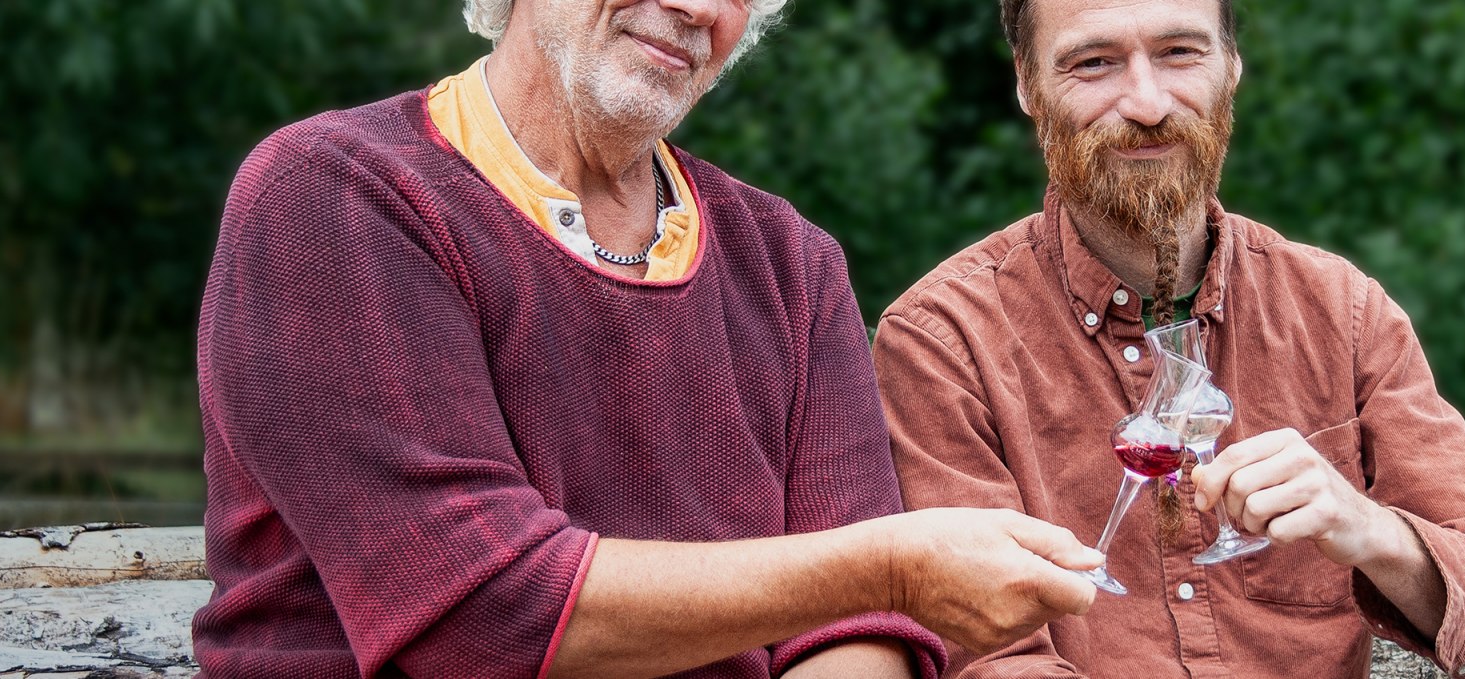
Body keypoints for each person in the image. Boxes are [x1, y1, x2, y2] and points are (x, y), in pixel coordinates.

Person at [189, 0, 1103, 677]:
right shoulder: (337, 196)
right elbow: (479, 614)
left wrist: (877, 588)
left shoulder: (788, 260)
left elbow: (850, 628)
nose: (698, 8)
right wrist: (896, 567)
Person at [873, 0, 1465, 676]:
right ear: (1027, 83)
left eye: (1180, 52)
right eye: (1094, 63)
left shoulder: (1343, 312)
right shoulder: (944, 342)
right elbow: (992, 663)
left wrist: (1370, 530)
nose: (1147, 104)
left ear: (1231, 65)